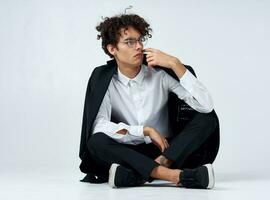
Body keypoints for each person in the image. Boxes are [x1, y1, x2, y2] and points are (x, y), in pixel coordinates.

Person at [79, 13, 220, 189]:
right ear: (112, 49)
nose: (138, 47)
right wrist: (143, 131)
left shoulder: (159, 74)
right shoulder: (104, 79)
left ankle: (142, 173)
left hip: (168, 150)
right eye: (129, 42)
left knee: (208, 118)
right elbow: (99, 125)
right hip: (127, 151)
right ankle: (173, 175)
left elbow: (205, 106)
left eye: (139, 40)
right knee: (95, 142)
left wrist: (175, 63)